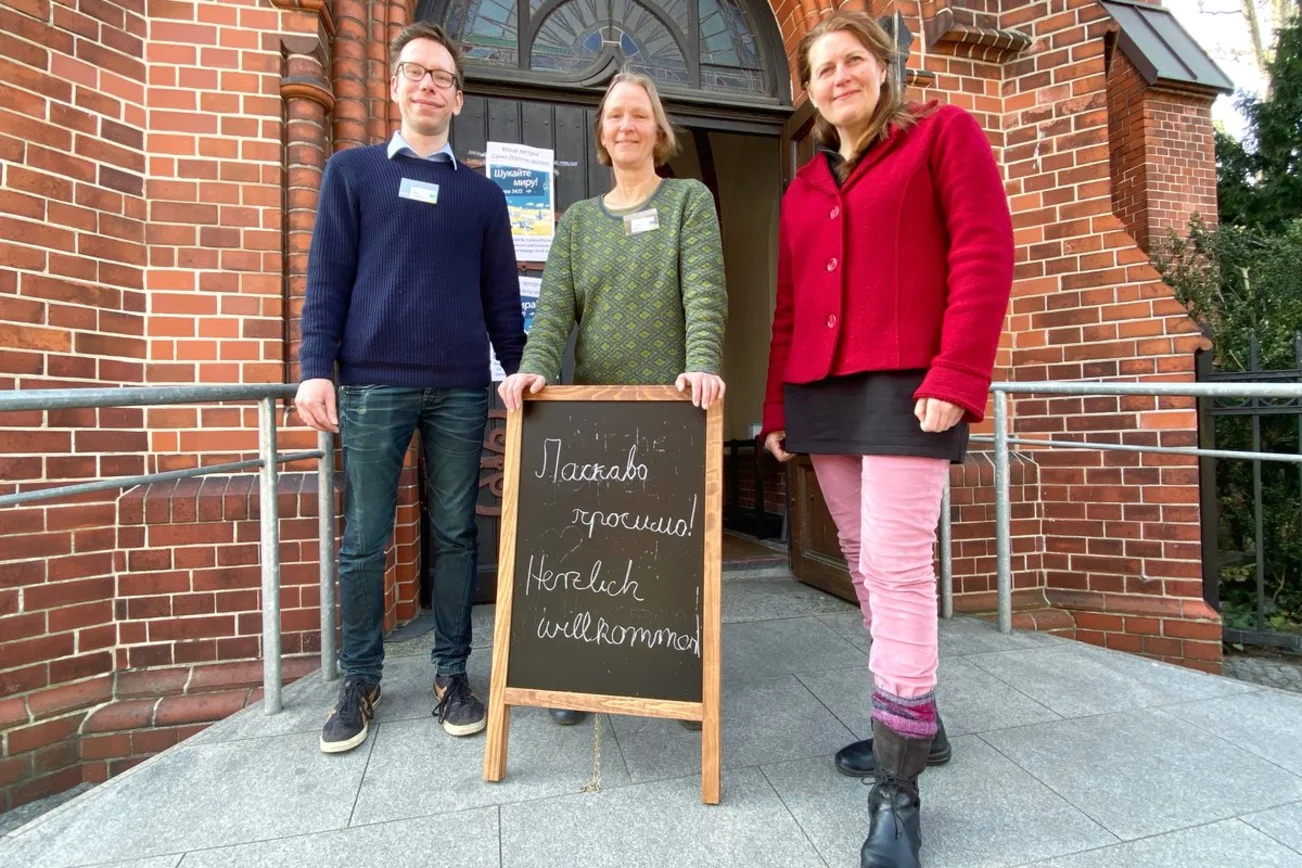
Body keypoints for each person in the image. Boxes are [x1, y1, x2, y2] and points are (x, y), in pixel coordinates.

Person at [761, 11, 1013, 868]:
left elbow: (984, 251)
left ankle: (896, 794)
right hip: (822, 393)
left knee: (900, 569)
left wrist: (957, 374)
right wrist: (777, 410)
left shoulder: (943, 135)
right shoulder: (800, 188)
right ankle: (917, 724)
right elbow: (788, 305)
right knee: (866, 559)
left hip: (910, 388)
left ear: (884, 66)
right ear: (808, 89)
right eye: (822, 68)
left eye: (852, 61)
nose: (838, 78)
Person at [296, 21, 525, 754]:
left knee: (456, 535)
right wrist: (313, 369)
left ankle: (451, 673)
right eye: (415, 72)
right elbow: (327, 278)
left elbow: (500, 301)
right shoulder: (350, 173)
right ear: (395, 85)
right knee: (365, 538)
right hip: (370, 387)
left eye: (442, 77)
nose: (428, 84)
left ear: (458, 98)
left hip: (460, 389)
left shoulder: (483, 199)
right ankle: (359, 678)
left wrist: (519, 370)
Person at [499, 70, 727, 728]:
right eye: (614, 116)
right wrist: (532, 369)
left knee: (669, 548)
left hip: (672, 410)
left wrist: (703, 365)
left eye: (638, 115)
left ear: (658, 129)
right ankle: (578, 674)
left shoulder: (689, 201)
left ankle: (681, 678)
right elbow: (552, 317)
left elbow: (704, 293)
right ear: (601, 134)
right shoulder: (577, 224)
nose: (625, 125)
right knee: (594, 550)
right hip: (595, 415)